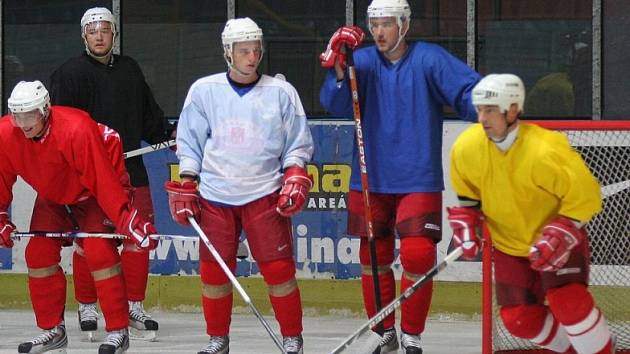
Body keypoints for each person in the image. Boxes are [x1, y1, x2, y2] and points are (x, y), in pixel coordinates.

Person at [319, 0, 480, 352]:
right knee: (372, 257)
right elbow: (335, 104)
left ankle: (411, 333)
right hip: (369, 179)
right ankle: (384, 331)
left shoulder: (429, 59)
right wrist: (338, 72)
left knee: (419, 254)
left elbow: (469, 92)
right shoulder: (360, 61)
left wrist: (489, 108)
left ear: (404, 26)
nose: (378, 31)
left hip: (417, 177)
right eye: (373, 23)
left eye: (386, 24)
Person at [164, 17, 314, 354]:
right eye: (244, 51)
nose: (252, 57)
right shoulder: (204, 90)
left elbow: (297, 144)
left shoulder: (281, 92)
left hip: (265, 194)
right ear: (228, 53)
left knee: (279, 271)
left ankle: (292, 337)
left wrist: (294, 173)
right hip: (215, 196)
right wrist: (188, 181)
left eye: (256, 50)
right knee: (214, 274)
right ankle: (218, 338)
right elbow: (189, 141)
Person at [447, 74, 615, 354]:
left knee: (568, 301)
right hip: (509, 246)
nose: (483, 118)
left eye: (490, 110)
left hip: (555, 239)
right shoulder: (467, 147)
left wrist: (564, 229)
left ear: (513, 110)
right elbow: (469, 195)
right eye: (480, 110)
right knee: (518, 318)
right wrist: (467, 220)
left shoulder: (546, 149)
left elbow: (587, 195)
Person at [0, 80, 156, 354]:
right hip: (54, 196)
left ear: (46, 109)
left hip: (92, 194)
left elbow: (104, 180)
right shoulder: (6, 133)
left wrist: (126, 219)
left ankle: (118, 330)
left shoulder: (77, 128)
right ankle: (52, 330)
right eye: (17, 115)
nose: (23, 123)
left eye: (30, 115)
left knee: (99, 251)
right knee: (37, 253)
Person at [48, 7, 169, 338]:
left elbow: (148, 114)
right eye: (92, 30)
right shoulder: (69, 74)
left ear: (113, 34)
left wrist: (167, 135)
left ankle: (133, 305)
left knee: (138, 238)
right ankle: (87, 303)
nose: (99, 35)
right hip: (90, 174)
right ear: (83, 35)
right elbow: (59, 125)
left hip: (131, 170)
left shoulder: (129, 69)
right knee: (91, 240)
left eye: (105, 30)